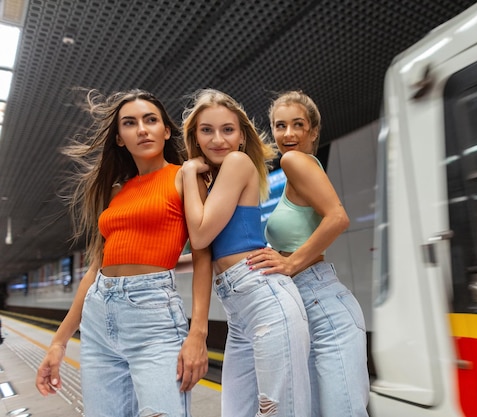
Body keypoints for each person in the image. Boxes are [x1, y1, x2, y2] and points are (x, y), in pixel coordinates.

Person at [35, 89, 212, 417]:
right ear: (119, 138)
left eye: (151, 120)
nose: (142, 129)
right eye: (130, 123)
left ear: (166, 130)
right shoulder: (116, 192)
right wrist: (58, 343)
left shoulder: (184, 177)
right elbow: (94, 270)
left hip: (154, 319)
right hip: (98, 316)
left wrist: (198, 333)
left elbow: (203, 256)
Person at [180, 89, 311, 417]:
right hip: (239, 313)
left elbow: (199, 235)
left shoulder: (238, 163)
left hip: (265, 299)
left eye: (228, 129)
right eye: (206, 130)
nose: (218, 139)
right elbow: (207, 252)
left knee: (279, 412)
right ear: (195, 137)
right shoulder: (211, 182)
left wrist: (185, 173)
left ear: (241, 137)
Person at [247, 90, 370, 417]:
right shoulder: (295, 172)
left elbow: (338, 217)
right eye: (280, 125)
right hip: (306, 305)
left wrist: (289, 263)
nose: (287, 134)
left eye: (297, 125)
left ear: (313, 132)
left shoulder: (293, 161)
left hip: (323, 305)